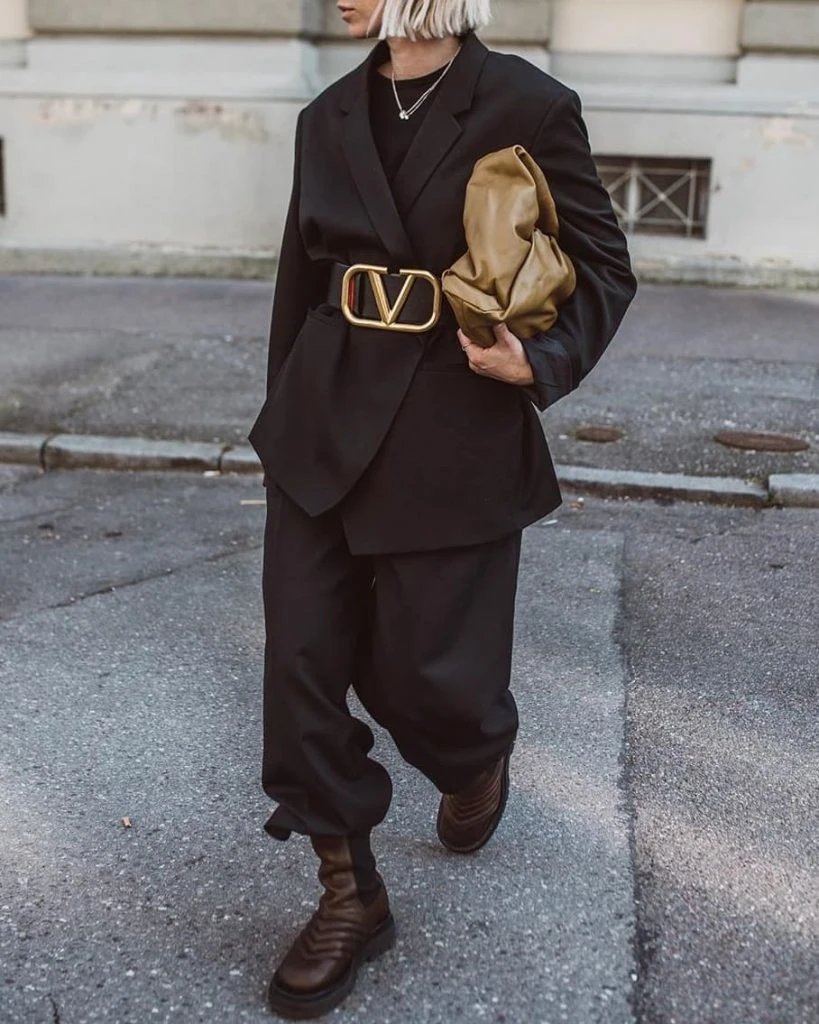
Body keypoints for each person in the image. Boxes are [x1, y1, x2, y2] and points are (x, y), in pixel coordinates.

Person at [248, 0, 637, 1017]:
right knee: (298, 661)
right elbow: (299, 280)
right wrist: (281, 420)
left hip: (453, 425)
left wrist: (538, 361)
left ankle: (473, 757)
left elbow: (605, 264)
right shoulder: (327, 116)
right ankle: (349, 893)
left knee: (430, 677)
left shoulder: (528, 104)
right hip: (324, 422)